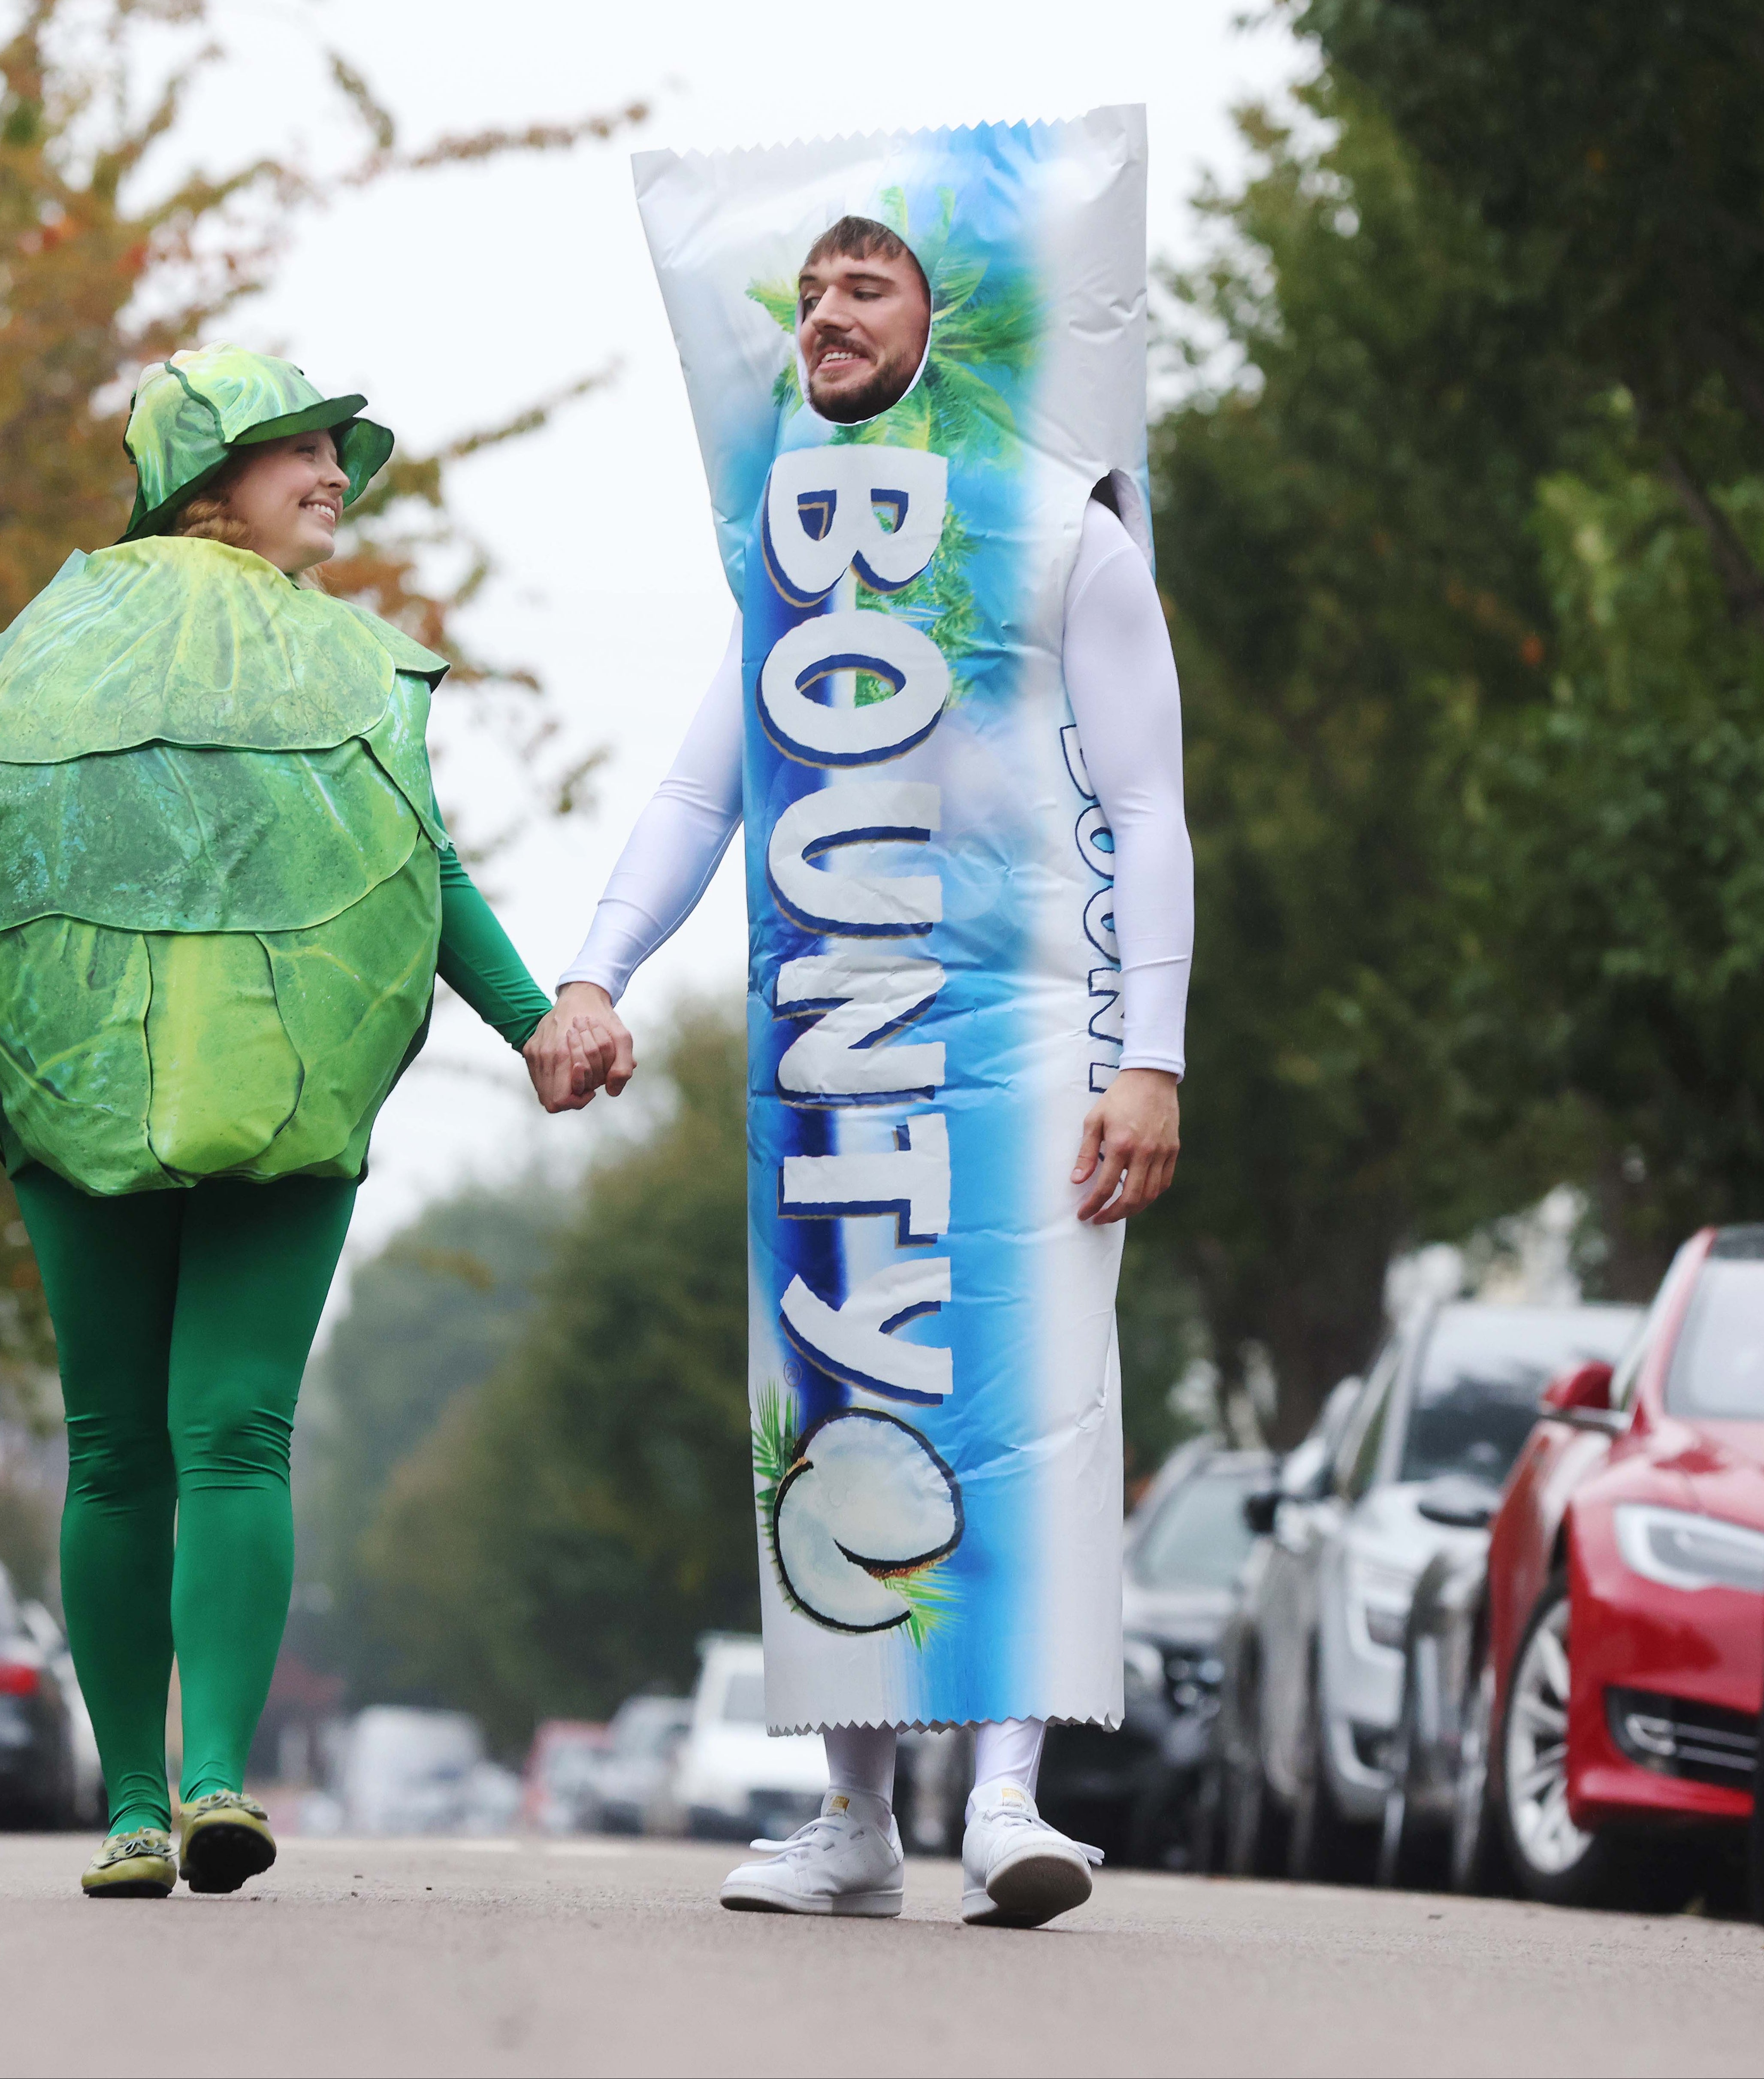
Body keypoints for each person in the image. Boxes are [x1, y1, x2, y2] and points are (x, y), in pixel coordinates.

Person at [0, 344, 606, 1900]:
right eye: (297, 449)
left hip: (284, 1073)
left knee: (229, 1430)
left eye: (331, 452)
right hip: (86, 1069)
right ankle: (134, 1803)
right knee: (116, 1450)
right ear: (207, 479)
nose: (331, 476)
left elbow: (419, 864)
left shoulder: (351, 659)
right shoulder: (54, 642)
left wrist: (532, 1028)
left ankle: (220, 1787)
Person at [559, 192, 1192, 1928]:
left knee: (1023, 1394)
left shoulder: (1065, 529)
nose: (826, 314)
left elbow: (1147, 803)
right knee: (838, 1396)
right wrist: (596, 974)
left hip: (1041, 1038)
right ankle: (853, 1823)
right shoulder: (787, 545)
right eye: (811, 289)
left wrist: (1157, 1055)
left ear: (950, 317)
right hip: (837, 1033)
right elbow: (707, 788)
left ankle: (1005, 1798)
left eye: (869, 284)